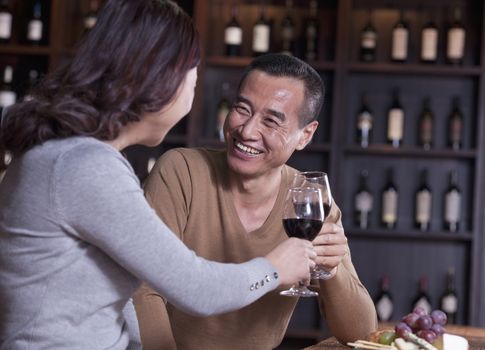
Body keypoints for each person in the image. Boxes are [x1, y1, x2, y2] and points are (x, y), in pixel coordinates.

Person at [0, 2, 317, 349]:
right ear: (159, 79)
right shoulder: (85, 167)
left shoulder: (74, 154)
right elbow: (196, 288)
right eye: (192, 75)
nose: (193, 91)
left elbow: (117, 305)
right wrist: (275, 268)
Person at [134, 53, 378, 350]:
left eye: (272, 121)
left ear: (305, 135)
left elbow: (361, 333)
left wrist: (332, 270)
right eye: (241, 109)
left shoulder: (310, 200)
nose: (247, 131)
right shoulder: (181, 171)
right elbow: (144, 289)